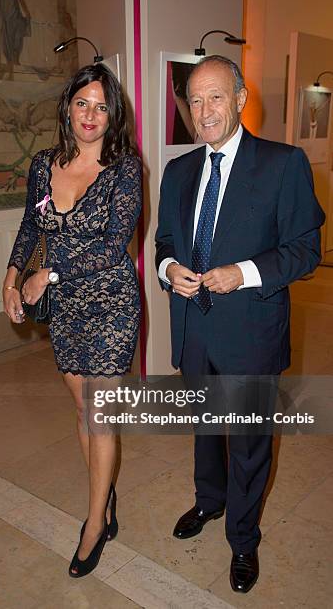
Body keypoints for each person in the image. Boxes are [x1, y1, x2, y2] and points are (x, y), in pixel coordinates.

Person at [155, 55, 325, 594]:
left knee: (249, 441)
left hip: (251, 333)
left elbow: (306, 249)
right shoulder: (178, 171)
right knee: (206, 429)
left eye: (216, 97)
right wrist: (168, 269)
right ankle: (209, 501)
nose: (204, 111)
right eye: (195, 101)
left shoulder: (283, 163)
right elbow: (164, 242)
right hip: (195, 329)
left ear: (242, 97)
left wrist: (244, 272)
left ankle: (244, 539)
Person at [3, 63, 142, 577]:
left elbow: (113, 247)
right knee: (83, 411)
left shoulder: (125, 169)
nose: (91, 115)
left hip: (110, 306)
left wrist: (49, 274)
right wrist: (14, 273)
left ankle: (94, 523)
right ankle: (104, 498)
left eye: (102, 106)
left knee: (99, 415)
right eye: (83, 103)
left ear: (113, 116)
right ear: (68, 107)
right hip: (66, 313)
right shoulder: (43, 165)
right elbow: (28, 223)